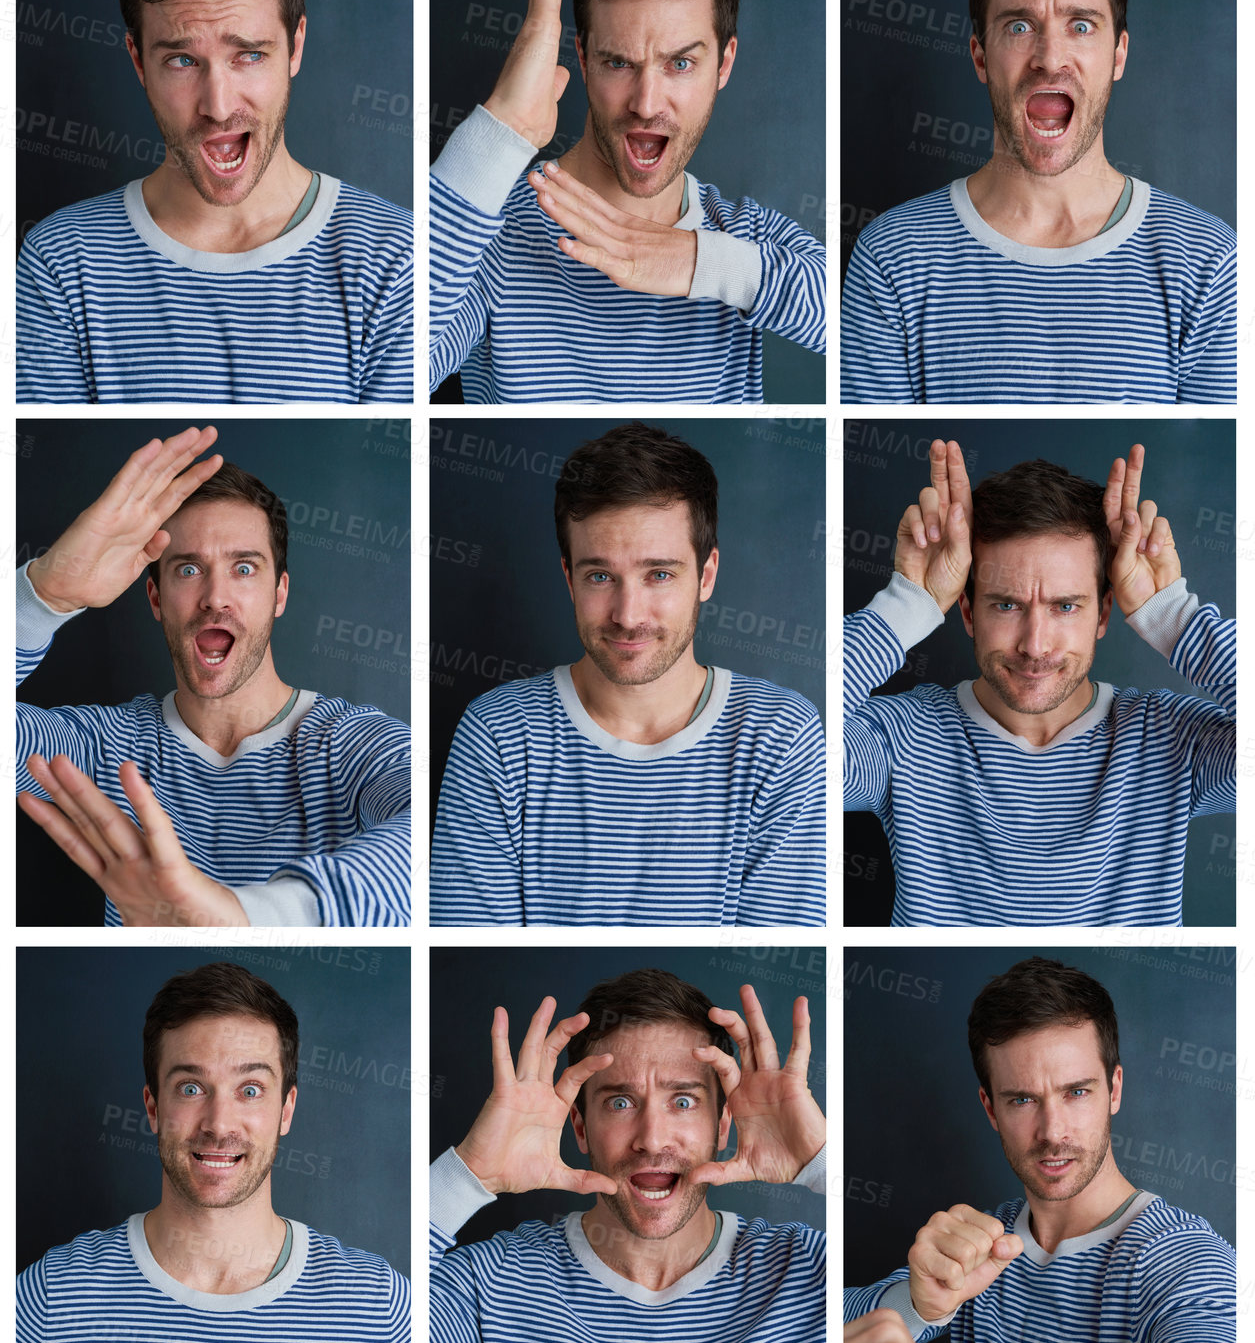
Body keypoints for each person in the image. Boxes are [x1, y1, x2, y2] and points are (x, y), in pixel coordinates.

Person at [16, 0, 412, 404]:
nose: (219, 107)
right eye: (182, 60)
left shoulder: (395, 257)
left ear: (295, 46)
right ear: (138, 62)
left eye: (248, 54)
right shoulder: (60, 262)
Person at [431, 0, 825, 403]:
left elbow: (863, 319)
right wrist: (502, 126)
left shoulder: (744, 237)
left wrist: (697, 262)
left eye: (680, 63)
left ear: (723, 64)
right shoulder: (489, 234)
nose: (645, 103)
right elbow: (392, 369)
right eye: (618, 62)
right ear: (583, 59)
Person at [430, 422, 824, 925]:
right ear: (569, 580)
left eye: (659, 574)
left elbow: (773, 947)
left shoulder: (781, 734)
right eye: (600, 576)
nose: (627, 614)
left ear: (706, 575)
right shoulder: (498, 732)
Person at [16, 425, 410, 926]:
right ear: (156, 599)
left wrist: (236, 916)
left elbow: (432, 836)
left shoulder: (355, 743)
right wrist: (46, 595)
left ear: (279, 593)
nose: (216, 597)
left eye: (244, 569)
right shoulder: (104, 746)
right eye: (187, 569)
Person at [841, 0, 1235, 403]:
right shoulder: (892, 256)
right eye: (1019, 27)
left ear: (1119, 55)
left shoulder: (1208, 261)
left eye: (1082, 26)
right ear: (981, 56)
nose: (1050, 58)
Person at [843, 957, 1235, 1343]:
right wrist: (920, 1307)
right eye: (1022, 1100)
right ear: (990, 1108)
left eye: (1076, 1092)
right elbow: (806, 1325)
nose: (1053, 1132)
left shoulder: (1181, 1254)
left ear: (1113, 1089)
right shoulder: (982, 1244)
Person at [16, 961, 410, 1343]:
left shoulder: (375, 1303)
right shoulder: (56, 1295)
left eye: (250, 1090)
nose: (219, 1123)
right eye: (191, 1087)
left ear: (285, 1110)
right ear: (153, 1108)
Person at [844, 439, 1234, 925]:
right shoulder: (898, 737)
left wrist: (1173, 616)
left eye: (1065, 606)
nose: (1034, 644)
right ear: (966, 612)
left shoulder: (1175, 739)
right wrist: (907, 604)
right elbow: (783, 750)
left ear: (1103, 614)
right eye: (1006, 605)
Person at [431, 970, 825, 1343]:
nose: (651, 1138)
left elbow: (912, 1314)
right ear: (579, 1127)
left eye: (682, 1101)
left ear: (724, 1125)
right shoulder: (497, 1280)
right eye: (620, 1102)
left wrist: (819, 1162)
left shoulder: (803, 1269)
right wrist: (470, 1174)